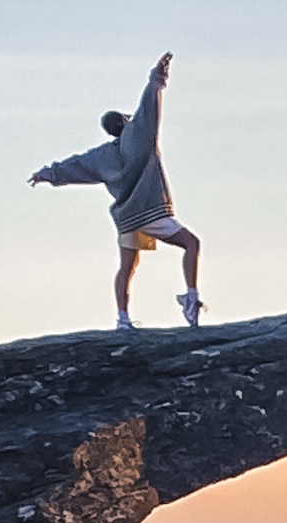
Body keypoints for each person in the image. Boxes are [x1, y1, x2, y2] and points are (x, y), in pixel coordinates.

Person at [31, 53, 202, 328]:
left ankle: (122, 319)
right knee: (191, 243)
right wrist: (158, 78)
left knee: (128, 267)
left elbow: (76, 165)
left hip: (127, 219)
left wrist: (48, 174)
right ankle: (190, 298)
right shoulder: (138, 135)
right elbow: (149, 106)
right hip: (150, 212)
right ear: (124, 122)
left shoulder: (103, 156)